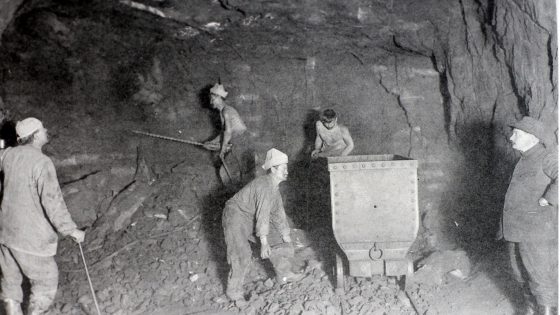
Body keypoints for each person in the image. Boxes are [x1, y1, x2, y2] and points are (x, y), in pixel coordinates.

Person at [0, 117, 85, 315]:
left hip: (5, 234)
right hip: (30, 238)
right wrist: (72, 231)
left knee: (10, 284)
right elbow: (53, 202)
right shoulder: (42, 162)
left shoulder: (9, 155)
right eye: (42, 129)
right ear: (36, 135)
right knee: (46, 281)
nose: (46, 131)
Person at [222, 148, 302, 301]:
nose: (287, 171)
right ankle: (234, 293)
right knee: (242, 253)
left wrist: (286, 237)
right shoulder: (264, 185)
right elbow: (263, 215)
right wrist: (264, 243)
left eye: (287, 167)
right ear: (273, 169)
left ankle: (284, 274)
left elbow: (279, 214)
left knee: (278, 238)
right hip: (235, 215)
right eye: (283, 168)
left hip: (250, 216)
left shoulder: (275, 189)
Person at [500, 116, 557, 315]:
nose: (511, 137)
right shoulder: (524, 160)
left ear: (532, 138)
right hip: (516, 231)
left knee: (541, 279)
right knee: (520, 276)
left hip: (536, 232)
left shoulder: (546, 156)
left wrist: (548, 198)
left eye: (517, 133)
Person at [203, 83, 255, 185]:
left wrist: (222, 149)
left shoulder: (226, 111)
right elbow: (224, 132)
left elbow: (228, 132)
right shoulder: (224, 110)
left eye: (212, 99)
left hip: (242, 141)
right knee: (234, 170)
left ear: (219, 98)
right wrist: (211, 142)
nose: (211, 102)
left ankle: (236, 191)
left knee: (229, 170)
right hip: (241, 140)